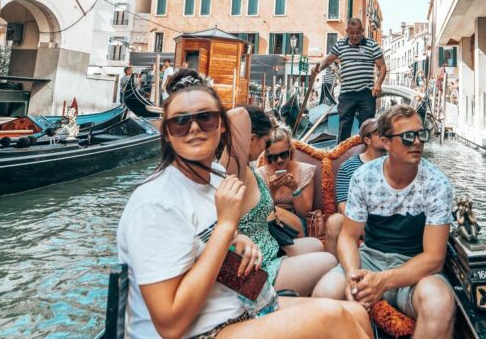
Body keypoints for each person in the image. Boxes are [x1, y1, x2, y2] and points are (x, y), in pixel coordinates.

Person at [116, 69, 371, 338]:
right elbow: (169, 326)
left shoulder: (214, 176)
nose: (193, 127)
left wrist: (237, 237)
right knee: (334, 318)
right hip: (200, 332)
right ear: (167, 132)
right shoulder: (155, 204)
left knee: (357, 314)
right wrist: (227, 227)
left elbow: (206, 244)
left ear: (221, 125)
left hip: (239, 308)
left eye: (206, 117)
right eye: (180, 121)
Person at [313, 105, 456, 338]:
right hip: (370, 260)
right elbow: (348, 237)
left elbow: (434, 259)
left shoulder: (437, 184)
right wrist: (352, 274)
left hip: (415, 269)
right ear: (386, 142)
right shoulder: (364, 177)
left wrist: (383, 281)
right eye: (408, 137)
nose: (417, 142)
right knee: (325, 292)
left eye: (421, 134)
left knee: (439, 303)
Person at [230, 104, 336, 296]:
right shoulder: (236, 168)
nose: (275, 158)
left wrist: (293, 188)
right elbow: (235, 116)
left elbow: (300, 211)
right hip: (261, 263)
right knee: (330, 261)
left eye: (283, 155)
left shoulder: (246, 168)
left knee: (318, 246)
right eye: (266, 144)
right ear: (252, 139)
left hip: (272, 241)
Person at [310, 18, 386, 142]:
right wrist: (318, 69)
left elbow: (382, 67)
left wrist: (378, 83)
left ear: (362, 31)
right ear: (347, 31)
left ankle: (366, 153)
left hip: (366, 93)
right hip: (347, 93)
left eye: (358, 32)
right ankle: (341, 154)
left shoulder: (372, 45)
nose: (355, 36)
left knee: (367, 127)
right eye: (352, 33)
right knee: (344, 125)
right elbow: (328, 60)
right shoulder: (340, 45)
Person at [325, 118, 386, 257]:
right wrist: (362, 226)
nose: (385, 136)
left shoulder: (394, 164)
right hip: (358, 218)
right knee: (335, 221)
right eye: (380, 133)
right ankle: (336, 269)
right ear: (367, 140)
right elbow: (342, 205)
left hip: (386, 217)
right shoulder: (348, 167)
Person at [257, 127, 316, 236]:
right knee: (271, 215)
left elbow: (304, 213)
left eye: (284, 154)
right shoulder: (259, 175)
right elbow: (260, 213)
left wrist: (295, 189)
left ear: (290, 150)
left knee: (276, 213)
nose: (279, 160)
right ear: (267, 156)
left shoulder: (305, 171)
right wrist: (272, 191)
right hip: (269, 224)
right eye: (274, 157)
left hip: (297, 225)